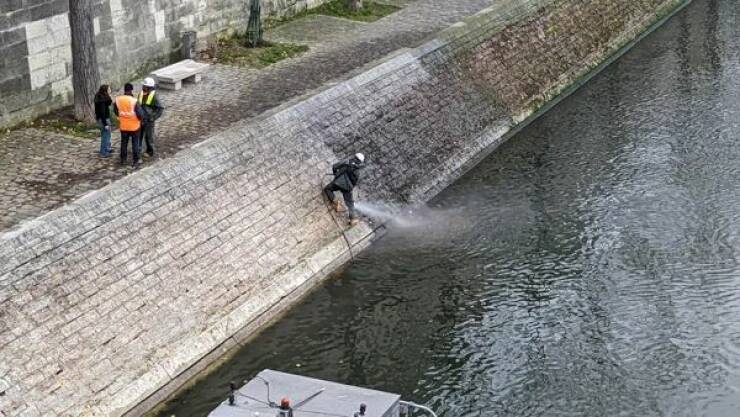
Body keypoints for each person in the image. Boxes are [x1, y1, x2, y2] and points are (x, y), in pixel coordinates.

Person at [324, 153, 365, 225]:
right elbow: (355, 182)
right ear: (361, 162)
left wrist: (335, 174)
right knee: (350, 203)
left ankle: (336, 202)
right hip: (348, 188)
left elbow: (334, 166)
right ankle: (353, 219)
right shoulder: (359, 171)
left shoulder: (347, 161)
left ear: (354, 156)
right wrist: (350, 188)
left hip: (338, 182)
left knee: (328, 189)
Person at [113, 83, 144, 167]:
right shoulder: (134, 101)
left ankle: (123, 160)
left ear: (124, 90)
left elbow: (116, 111)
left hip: (123, 126)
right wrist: (140, 120)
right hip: (134, 127)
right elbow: (140, 114)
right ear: (131, 90)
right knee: (135, 144)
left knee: (124, 143)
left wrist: (121, 116)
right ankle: (136, 161)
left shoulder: (118, 100)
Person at [138, 77, 164, 159]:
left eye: (145, 86)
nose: (143, 87)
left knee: (149, 137)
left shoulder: (154, 96)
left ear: (149, 87)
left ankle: (150, 151)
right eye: (143, 86)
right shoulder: (141, 93)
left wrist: (153, 117)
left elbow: (160, 108)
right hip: (140, 119)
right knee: (139, 135)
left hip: (149, 120)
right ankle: (138, 150)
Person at [94, 84, 113, 157]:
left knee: (106, 135)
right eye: (109, 89)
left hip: (101, 119)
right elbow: (102, 113)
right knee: (105, 136)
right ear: (105, 91)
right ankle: (103, 152)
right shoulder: (102, 100)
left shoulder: (100, 96)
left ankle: (107, 148)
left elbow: (109, 102)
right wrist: (105, 124)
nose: (110, 90)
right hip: (104, 120)